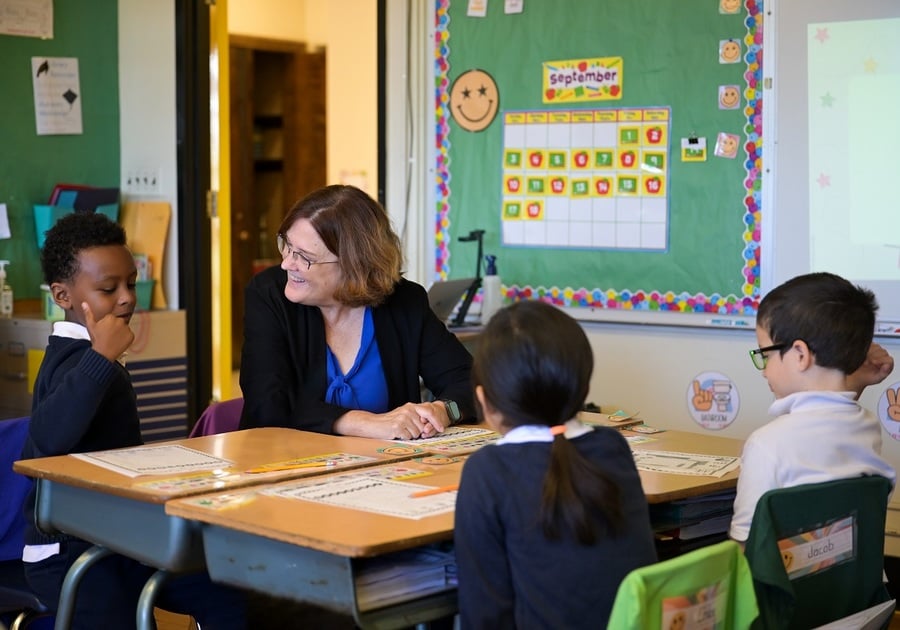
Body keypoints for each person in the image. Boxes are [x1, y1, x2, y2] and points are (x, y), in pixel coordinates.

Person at [20, 212, 246, 629]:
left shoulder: (96, 360)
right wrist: (101, 357)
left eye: (130, 282)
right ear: (62, 295)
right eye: (108, 289)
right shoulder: (70, 360)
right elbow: (48, 440)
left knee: (228, 594)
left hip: (120, 533)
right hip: (67, 551)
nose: (126, 297)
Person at [454, 300, 658, 628]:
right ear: (584, 390)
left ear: (484, 401)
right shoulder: (612, 446)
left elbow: (484, 614)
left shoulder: (487, 470)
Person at [239, 184, 474, 439]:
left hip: (386, 470)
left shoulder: (405, 302)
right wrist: (365, 423)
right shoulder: (268, 295)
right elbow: (266, 405)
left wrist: (443, 410)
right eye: (286, 244)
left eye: (304, 256)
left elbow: (469, 382)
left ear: (354, 265)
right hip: (284, 465)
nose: (286, 263)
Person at [729, 272, 896, 543]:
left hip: (782, 586)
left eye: (765, 354)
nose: (764, 370)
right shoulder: (867, 428)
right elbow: (833, 416)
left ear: (800, 355)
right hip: (856, 584)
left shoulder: (767, 444)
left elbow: (746, 544)